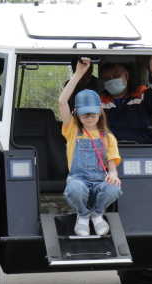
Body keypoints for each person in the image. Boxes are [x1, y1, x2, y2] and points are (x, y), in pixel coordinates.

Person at [58, 58, 122, 237]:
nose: (89, 116)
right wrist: (78, 74)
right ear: (77, 113)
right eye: (84, 113)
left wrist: (113, 174)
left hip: (100, 180)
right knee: (75, 189)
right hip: (79, 179)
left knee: (114, 188)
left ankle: (97, 214)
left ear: (100, 111)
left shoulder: (108, 137)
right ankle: (84, 215)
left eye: (93, 112)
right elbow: (62, 102)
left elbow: (112, 166)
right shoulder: (72, 130)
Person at [99, 57, 152, 144]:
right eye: (107, 78)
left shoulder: (141, 94)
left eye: (116, 75)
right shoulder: (98, 101)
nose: (112, 80)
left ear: (126, 75)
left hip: (141, 150)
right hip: (108, 151)